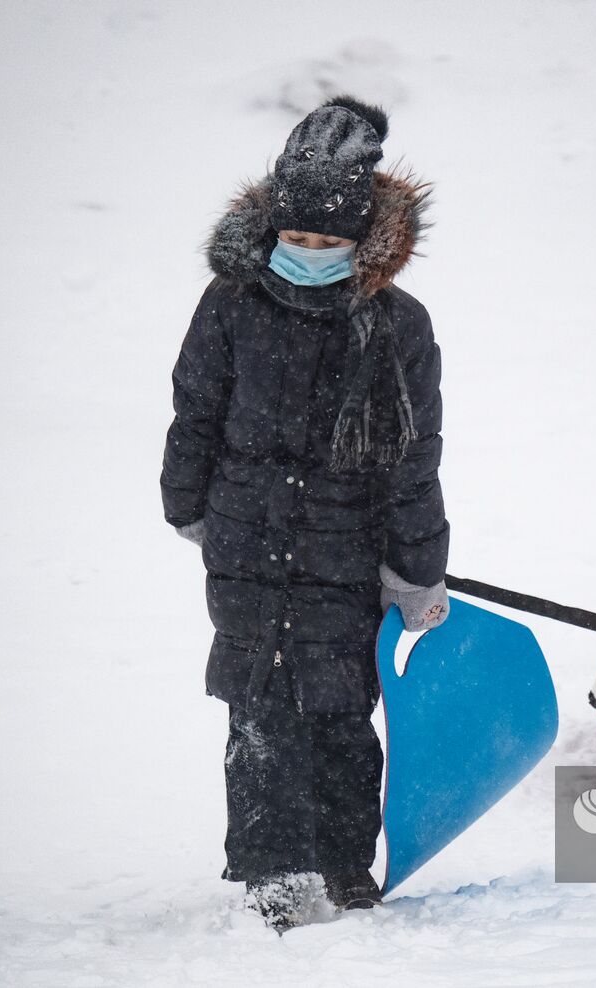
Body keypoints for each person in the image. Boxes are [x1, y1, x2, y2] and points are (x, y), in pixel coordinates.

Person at [159, 94, 450, 932]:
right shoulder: (232, 305)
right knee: (258, 707)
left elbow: (414, 456)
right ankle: (275, 870)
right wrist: (188, 508)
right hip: (246, 535)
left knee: (337, 704)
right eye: (296, 239)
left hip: (345, 547)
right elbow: (196, 414)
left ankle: (343, 863)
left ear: (364, 243)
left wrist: (415, 569)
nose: (310, 254)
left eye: (329, 243)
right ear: (271, 231)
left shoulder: (396, 326)